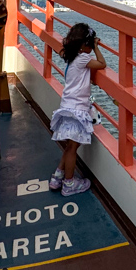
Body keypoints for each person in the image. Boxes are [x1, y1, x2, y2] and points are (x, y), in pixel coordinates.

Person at [49, 22, 106, 196]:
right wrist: (97, 48)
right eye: (89, 44)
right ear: (84, 45)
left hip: (67, 106)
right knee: (73, 148)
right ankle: (69, 183)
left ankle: (57, 177)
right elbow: (102, 64)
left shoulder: (71, 57)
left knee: (69, 146)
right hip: (77, 110)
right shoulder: (83, 58)